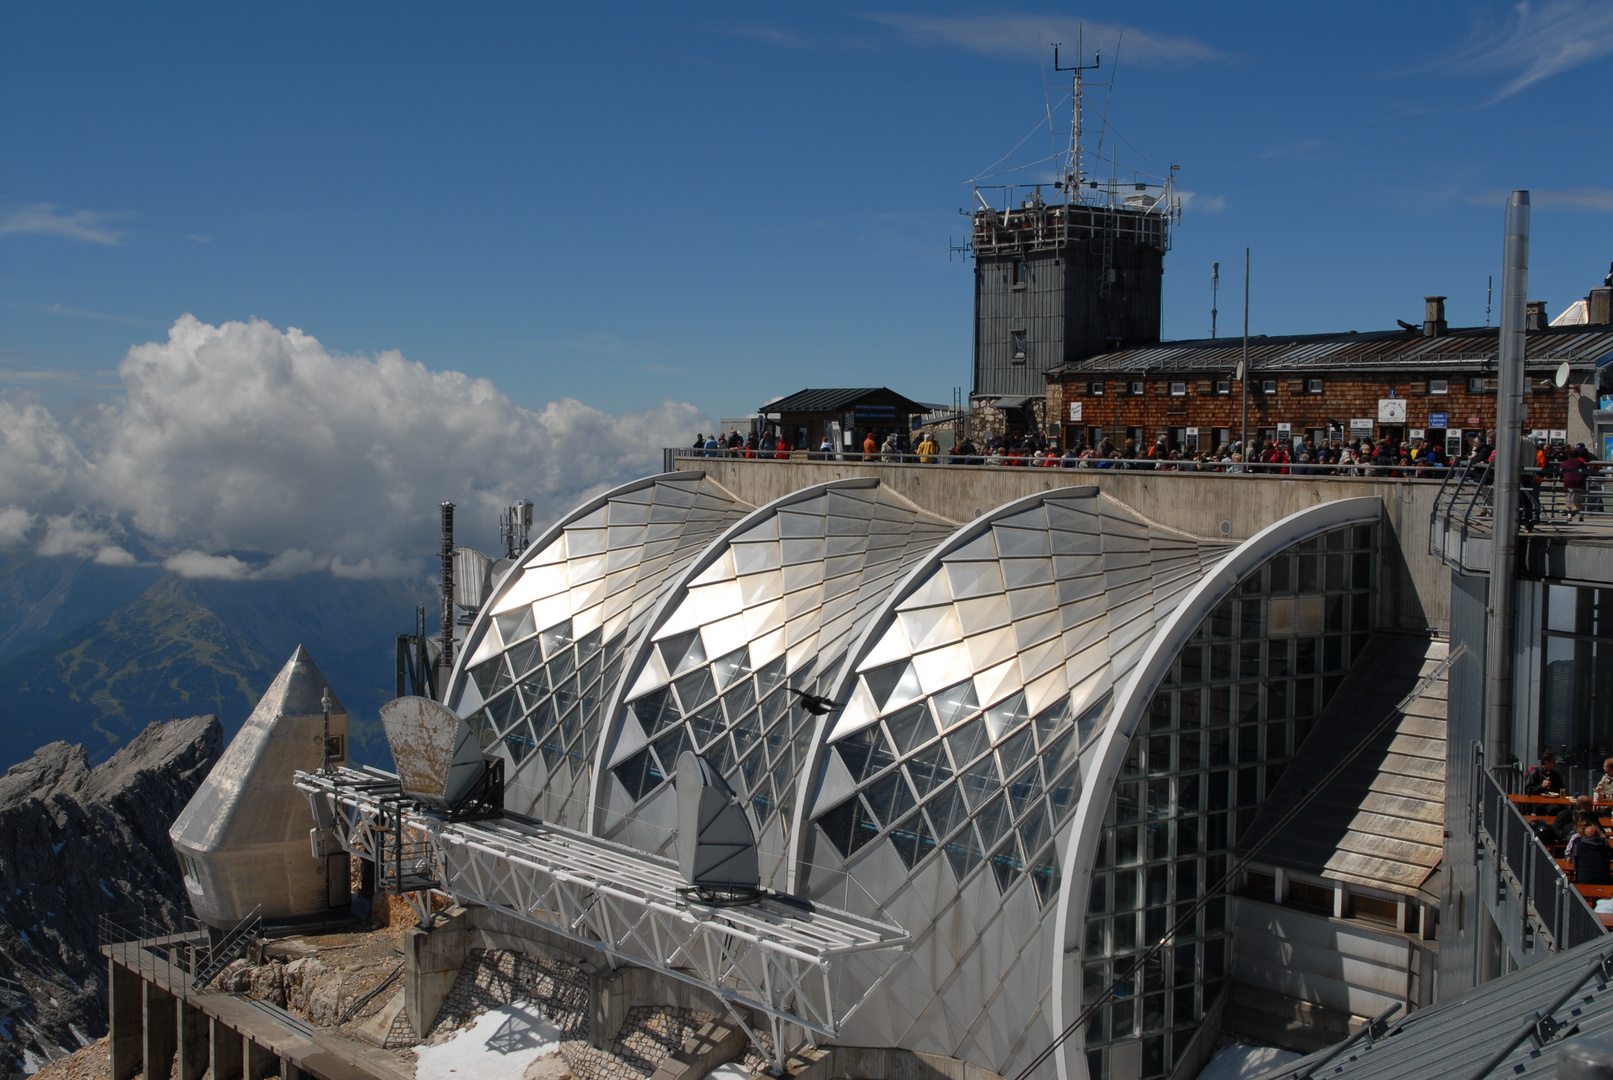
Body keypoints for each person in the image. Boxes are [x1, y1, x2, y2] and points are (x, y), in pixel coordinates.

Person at [1562, 445, 1589, 522]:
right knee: (1578, 500)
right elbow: (1586, 472)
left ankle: (1569, 515)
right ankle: (1580, 516)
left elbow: (1560, 470)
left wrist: (1560, 477)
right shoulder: (1581, 462)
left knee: (1568, 499)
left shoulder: (1566, 462)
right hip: (1579, 483)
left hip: (1569, 482)